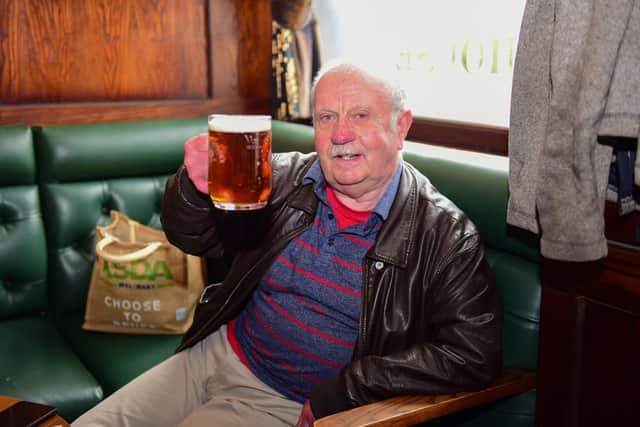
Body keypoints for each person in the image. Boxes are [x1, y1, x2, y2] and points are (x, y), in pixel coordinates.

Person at [73, 60, 502, 427]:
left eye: (361, 116)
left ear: (401, 125)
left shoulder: (444, 234)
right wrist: (193, 187)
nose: (339, 134)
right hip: (214, 350)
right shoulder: (282, 177)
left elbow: (473, 354)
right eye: (326, 117)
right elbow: (192, 236)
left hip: (280, 402)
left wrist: (347, 390)